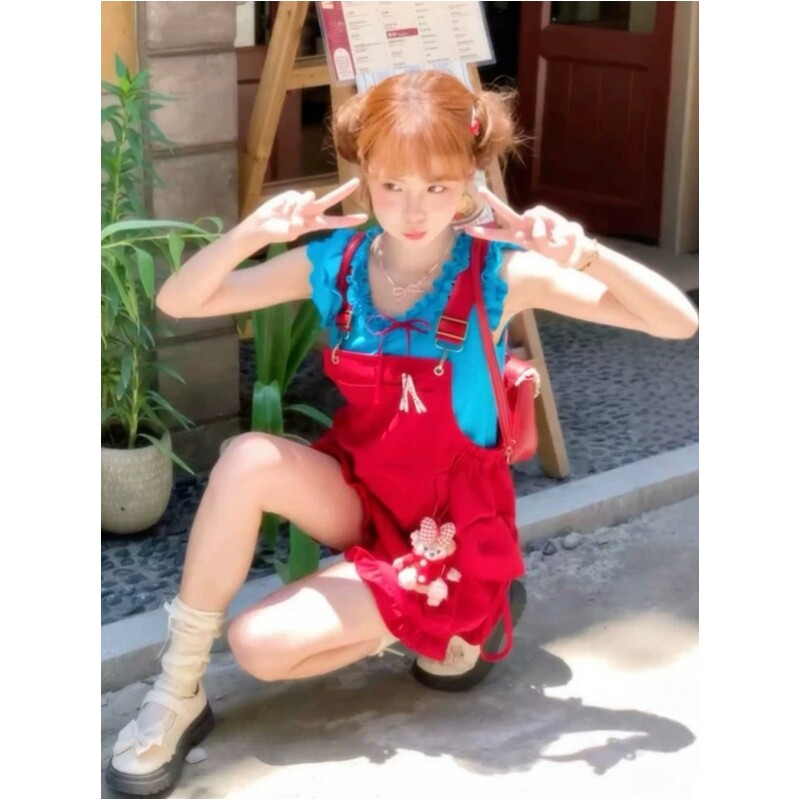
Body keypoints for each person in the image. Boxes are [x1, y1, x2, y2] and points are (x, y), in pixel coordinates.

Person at [105, 70, 699, 796]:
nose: (414, 210)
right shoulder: (338, 264)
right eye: (391, 186)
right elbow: (180, 300)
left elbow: (679, 322)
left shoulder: (502, 274)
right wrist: (252, 233)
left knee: (258, 646)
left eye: (439, 186)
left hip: (452, 528)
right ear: (363, 175)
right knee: (247, 458)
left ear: (471, 177)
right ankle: (177, 690)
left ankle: (464, 614)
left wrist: (583, 253)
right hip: (363, 492)